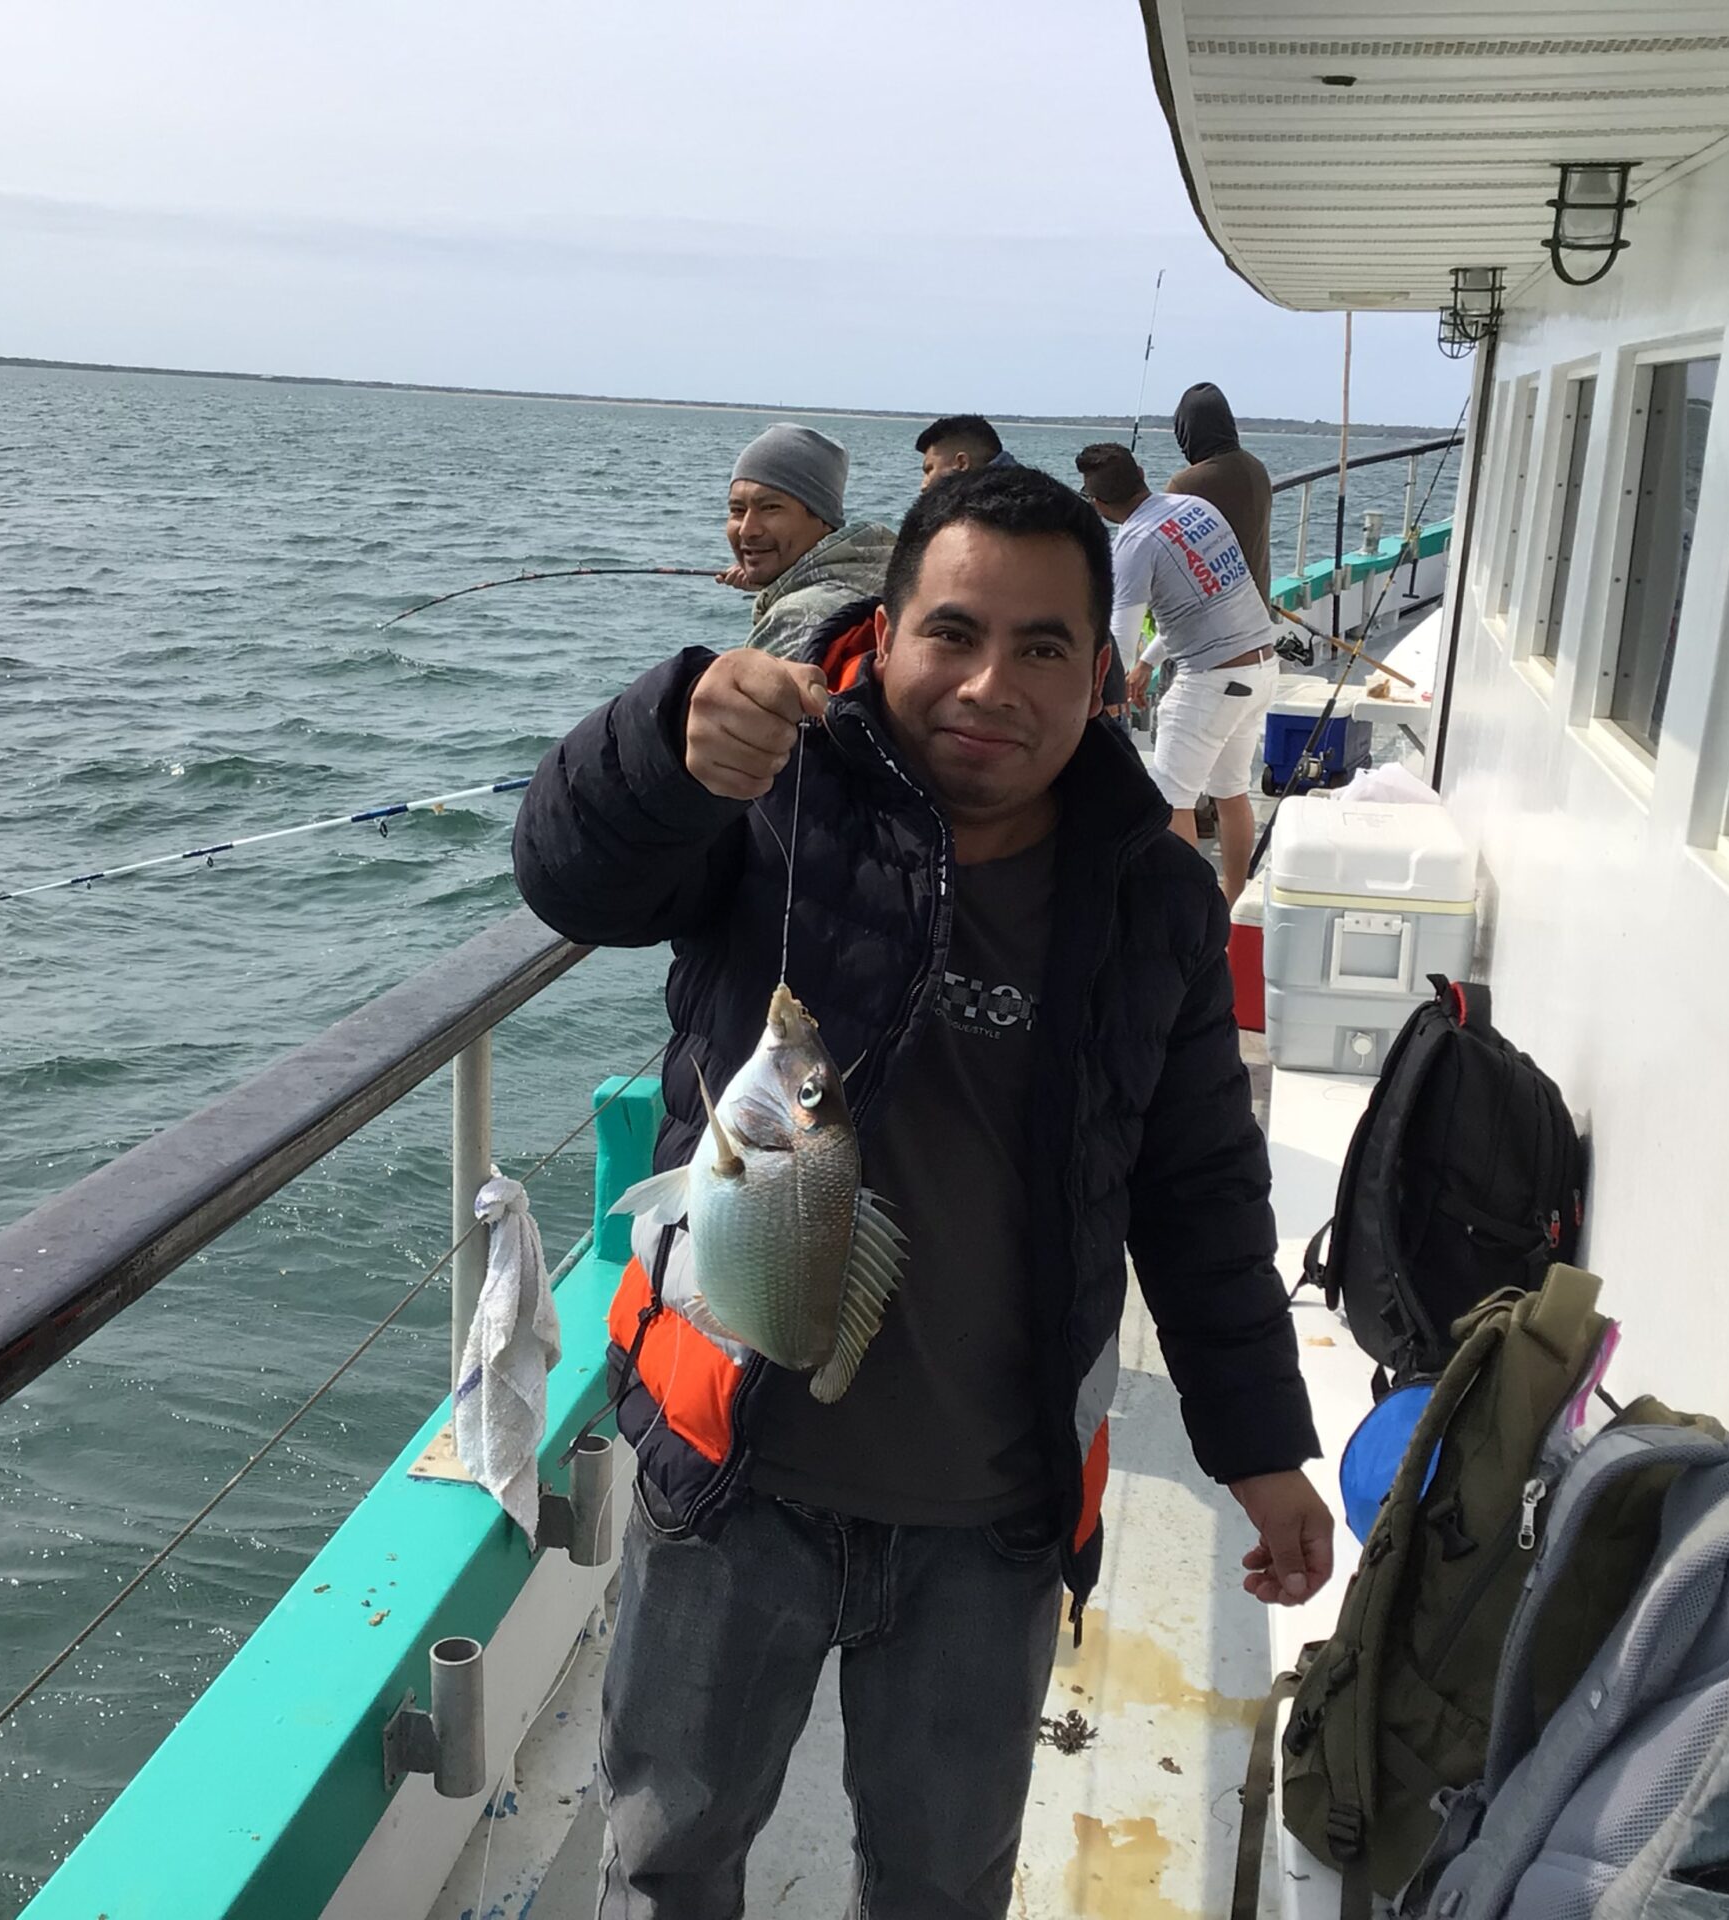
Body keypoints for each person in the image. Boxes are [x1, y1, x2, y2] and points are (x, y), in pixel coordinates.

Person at [514, 464, 1329, 1919]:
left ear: (1110, 673)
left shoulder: (1150, 894)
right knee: (664, 1852)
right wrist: (665, 742)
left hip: (993, 1514)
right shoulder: (777, 804)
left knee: (944, 1880)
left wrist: (1262, 1446)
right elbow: (572, 881)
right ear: (881, 638)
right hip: (731, 1477)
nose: (988, 683)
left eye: (1042, 648)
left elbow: (1199, 1188)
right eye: (951, 633)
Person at [1076, 444, 1278, 908]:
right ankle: (1231, 902)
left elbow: (1118, 638)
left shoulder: (1133, 543)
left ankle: (1187, 918)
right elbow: (1201, 597)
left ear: (1097, 504)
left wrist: (1100, 694)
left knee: (1171, 803)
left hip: (1211, 681)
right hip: (1260, 668)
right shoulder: (1197, 508)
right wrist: (1148, 661)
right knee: (1231, 791)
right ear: (1143, 475)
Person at [720, 421, 897, 656]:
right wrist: (777, 587)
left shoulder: (795, 617)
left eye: (771, 507)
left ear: (823, 518)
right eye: (737, 510)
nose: (747, 530)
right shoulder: (891, 579)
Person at [1166, 381, 1273, 586]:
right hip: (1257, 606)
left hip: (1213, 615)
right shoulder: (1256, 468)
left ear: (1186, 429)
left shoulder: (1185, 485)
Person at [915, 412, 1017, 489]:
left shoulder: (978, 512)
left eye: (929, 470)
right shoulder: (1027, 494)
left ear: (962, 463)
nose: (923, 485)